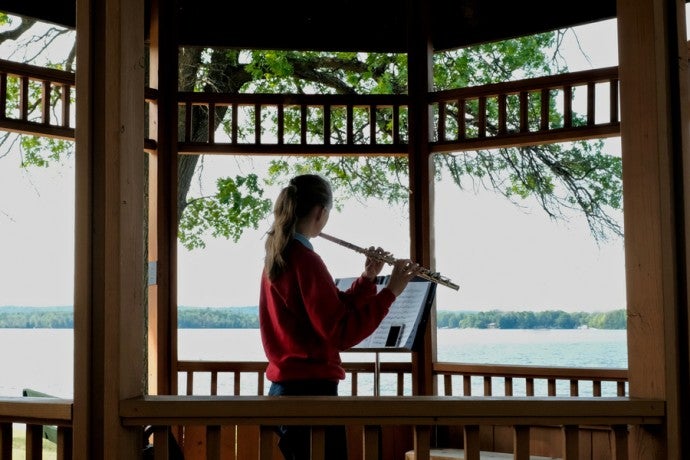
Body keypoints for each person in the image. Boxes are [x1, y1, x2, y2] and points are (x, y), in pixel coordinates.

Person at [259, 173, 421, 460]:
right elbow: (340, 332)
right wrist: (390, 293)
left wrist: (368, 279)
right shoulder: (306, 260)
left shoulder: (281, 254)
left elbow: (331, 310)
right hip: (309, 394)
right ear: (321, 212)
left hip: (287, 389)